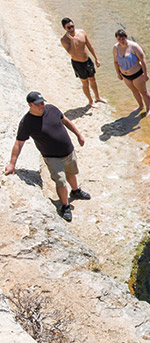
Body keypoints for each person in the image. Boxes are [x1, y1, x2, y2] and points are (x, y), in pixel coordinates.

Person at [4, 92, 91, 222]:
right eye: (38, 104)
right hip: (52, 158)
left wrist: (79, 135)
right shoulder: (27, 122)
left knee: (71, 173)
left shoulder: (51, 109)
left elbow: (65, 120)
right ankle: (65, 206)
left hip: (69, 151)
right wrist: (12, 164)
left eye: (42, 103)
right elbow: (19, 143)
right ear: (30, 105)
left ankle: (76, 191)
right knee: (60, 181)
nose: (42, 106)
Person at [60, 17, 107, 107]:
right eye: (69, 28)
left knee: (93, 79)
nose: (72, 29)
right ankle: (90, 101)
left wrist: (96, 58)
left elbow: (89, 46)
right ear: (64, 29)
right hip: (78, 63)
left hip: (87, 61)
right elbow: (71, 53)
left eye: (72, 26)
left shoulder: (82, 32)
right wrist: (72, 40)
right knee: (85, 82)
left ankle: (97, 97)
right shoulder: (64, 40)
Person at [113, 29, 150, 116]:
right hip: (125, 75)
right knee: (134, 91)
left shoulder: (134, 46)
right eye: (119, 39)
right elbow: (115, 62)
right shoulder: (116, 48)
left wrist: (145, 74)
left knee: (143, 92)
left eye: (123, 39)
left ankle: (148, 109)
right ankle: (140, 106)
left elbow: (143, 60)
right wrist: (118, 73)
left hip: (137, 74)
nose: (121, 41)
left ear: (126, 37)